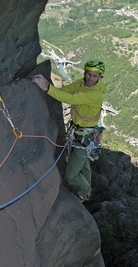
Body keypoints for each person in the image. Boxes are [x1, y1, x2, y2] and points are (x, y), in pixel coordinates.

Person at [32, 59, 106, 202]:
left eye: (94, 76)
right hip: (80, 134)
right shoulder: (81, 83)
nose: (90, 78)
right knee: (84, 165)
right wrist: (52, 89)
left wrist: (47, 87)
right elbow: (66, 91)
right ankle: (88, 189)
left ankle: (84, 193)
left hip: (84, 137)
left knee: (71, 176)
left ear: (100, 77)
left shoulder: (94, 93)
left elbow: (70, 98)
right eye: (89, 74)